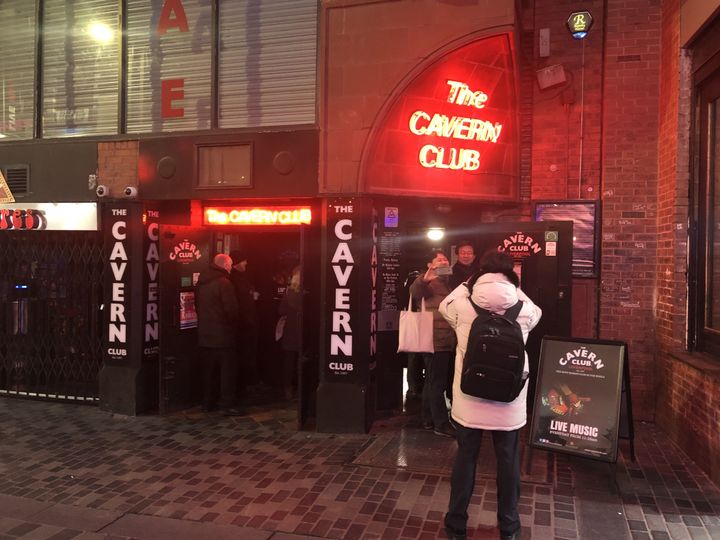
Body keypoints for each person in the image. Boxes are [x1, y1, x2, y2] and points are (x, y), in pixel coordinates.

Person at [439, 250, 542, 540]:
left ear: (479, 273)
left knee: (466, 458)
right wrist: (516, 288)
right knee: (508, 461)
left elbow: (445, 306)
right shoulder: (523, 308)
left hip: (470, 399)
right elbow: (537, 313)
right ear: (511, 275)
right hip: (508, 401)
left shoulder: (461, 304)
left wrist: (470, 281)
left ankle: (456, 522)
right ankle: (509, 527)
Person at [409, 249, 456, 437]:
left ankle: (428, 419)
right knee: (437, 383)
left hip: (444, 338)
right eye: (438, 260)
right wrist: (425, 278)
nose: (444, 261)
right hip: (436, 339)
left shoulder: (448, 281)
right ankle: (441, 423)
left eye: (445, 259)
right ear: (430, 265)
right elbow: (415, 291)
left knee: (431, 381)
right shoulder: (426, 281)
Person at [195, 253, 243, 415]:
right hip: (223, 336)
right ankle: (226, 404)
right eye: (230, 265)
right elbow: (232, 310)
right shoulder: (224, 283)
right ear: (224, 265)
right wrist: (235, 327)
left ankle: (207, 402)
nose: (231, 268)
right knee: (226, 372)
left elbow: (197, 307)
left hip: (205, 335)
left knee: (208, 372)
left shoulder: (201, 282)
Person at [229, 250, 261, 397]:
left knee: (249, 354)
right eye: (243, 260)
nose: (246, 263)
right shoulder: (232, 279)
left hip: (248, 322)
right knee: (244, 354)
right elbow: (237, 303)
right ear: (236, 262)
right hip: (243, 325)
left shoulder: (241, 277)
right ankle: (244, 386)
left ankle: (249, 383)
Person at [278, 265, 302, 400]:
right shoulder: (307, 292)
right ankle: (301, 388)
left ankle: (288, 389)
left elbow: (281, 311)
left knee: (289, 361)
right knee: (301, 360)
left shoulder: (288, 292)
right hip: (303, 329)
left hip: (289, 330)